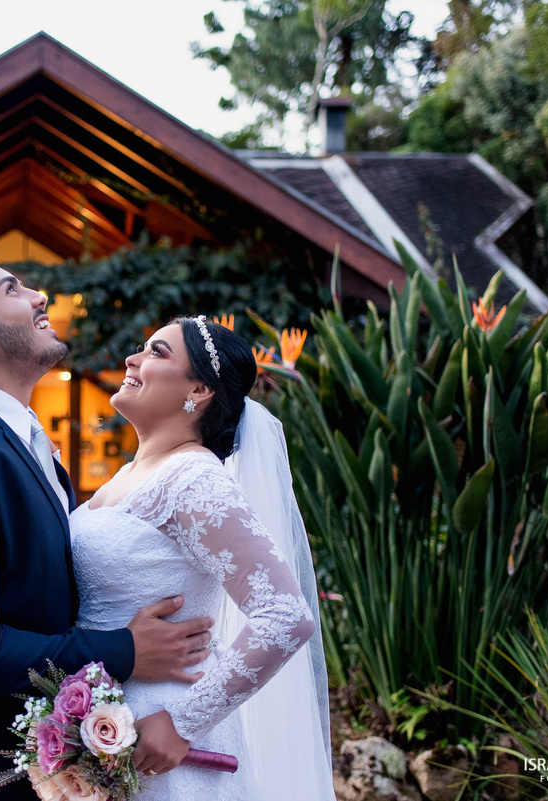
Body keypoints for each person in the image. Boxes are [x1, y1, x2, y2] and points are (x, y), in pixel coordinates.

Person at [0, 244, 215, 801]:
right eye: (12, 289)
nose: (39, 297)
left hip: (38, 762)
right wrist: (125, 650)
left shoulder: (20, 441)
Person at [71, 315, 337, 800]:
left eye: (157, 352)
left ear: (199, 389)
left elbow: (286, 614)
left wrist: (182, 722)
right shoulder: (127, 476)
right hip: (98, 721)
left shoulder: (193, 479)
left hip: (159, 737)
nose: (132, 359)